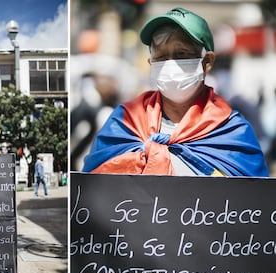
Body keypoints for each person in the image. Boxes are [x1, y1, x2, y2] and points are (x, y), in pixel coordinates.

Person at [82, 7, 268, 177]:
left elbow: (253, 203)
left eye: (182, 54)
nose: (170, 64)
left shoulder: (234, 131)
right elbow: (93, 191)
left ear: (207, 62)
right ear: (151, 64)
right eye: (161, 56)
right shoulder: (124, 121)